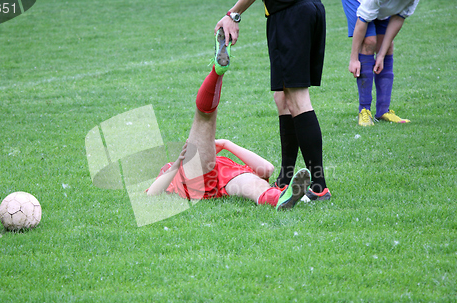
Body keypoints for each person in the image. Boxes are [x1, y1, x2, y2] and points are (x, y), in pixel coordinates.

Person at [147, 31, 311, 211]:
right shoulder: (175, 169)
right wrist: (178, 162)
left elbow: (267, 169)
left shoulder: (229, 166)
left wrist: (226, 143)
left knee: (256, 187)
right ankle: (217, 72)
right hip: (197, 179)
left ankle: (280, 198)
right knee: (205, 118)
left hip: (223, 183)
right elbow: (151, 194)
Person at [214, 0, 331, 202]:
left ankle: (319, 187)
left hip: (290, 13)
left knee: (297, 98)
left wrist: (233, 14)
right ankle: (285, 180)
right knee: (283, 97)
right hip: (307, 9)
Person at [342, 0, 419, 126]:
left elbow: (399, 17)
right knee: (369, 41)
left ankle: (383, 111)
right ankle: (364, 110)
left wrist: (381, 55)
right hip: (358, 1)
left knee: (387, 46)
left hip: (381, 7)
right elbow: (362, 20)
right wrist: (354, 59)